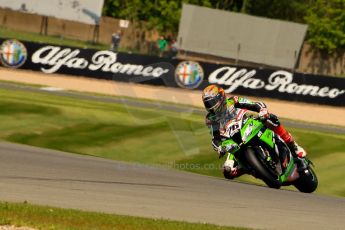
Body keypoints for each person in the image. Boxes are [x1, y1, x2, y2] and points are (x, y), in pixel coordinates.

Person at [202, 84, 307, 179]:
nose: (210, 106)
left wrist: (262, 111)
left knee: (271, 119)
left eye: (212, 102)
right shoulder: (210, 119)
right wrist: (220, 147)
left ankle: (293, 146)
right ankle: (249, 169)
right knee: (227, 172)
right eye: (207, 103)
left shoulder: (233, 101)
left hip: (249, 125)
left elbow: (254, 105)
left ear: (220, 97)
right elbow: (215, 138)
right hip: (233, 142)